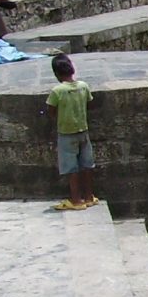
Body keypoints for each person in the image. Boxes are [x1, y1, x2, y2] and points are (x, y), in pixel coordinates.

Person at [46, 54, 97, 211]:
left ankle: (76, 200)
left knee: (71, 168)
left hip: (66, 134)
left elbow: (51, 110)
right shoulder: (83, 86)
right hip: (83, 131)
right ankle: (89, 197)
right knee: (87, 165)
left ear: (56, 73)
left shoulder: (57, 91)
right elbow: (89, 103)